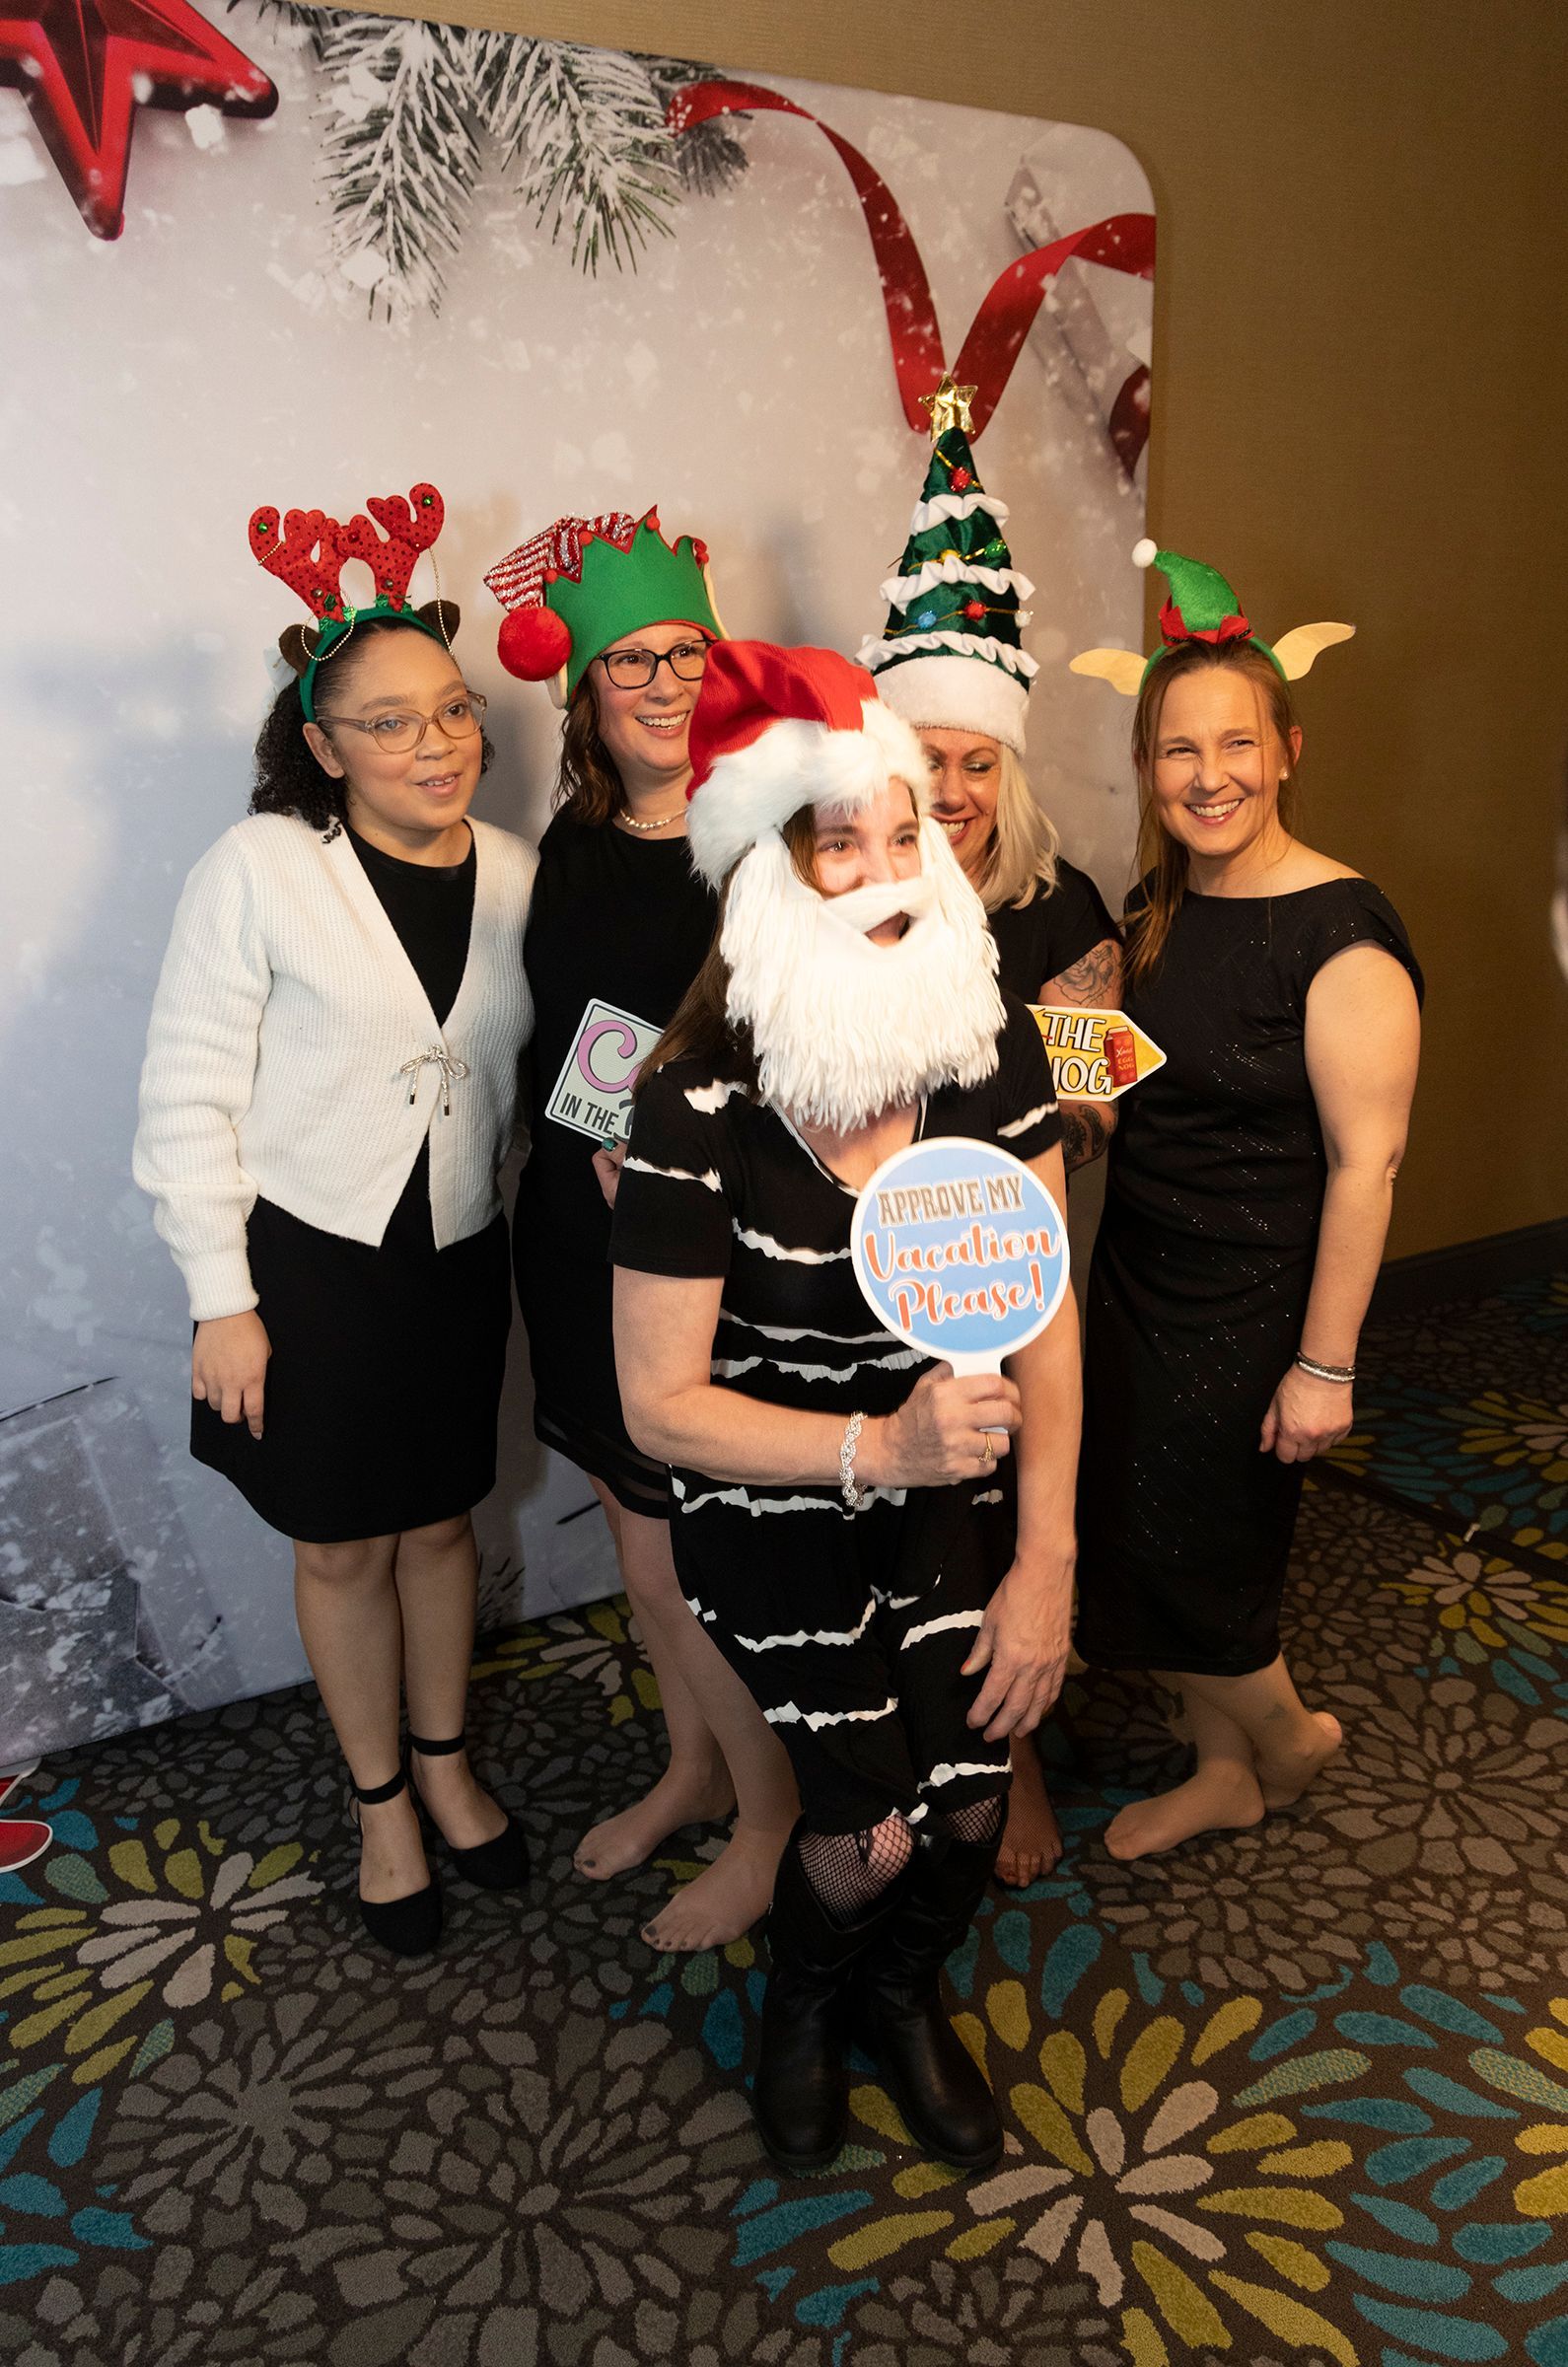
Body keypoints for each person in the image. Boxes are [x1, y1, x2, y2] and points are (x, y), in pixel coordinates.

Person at [611, 642, 1082, 2173]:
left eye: (911, 834)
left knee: (960, 1815)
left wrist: (1046, 1563)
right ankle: (803, 2009)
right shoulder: (693, 1100)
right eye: (843, 842)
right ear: (774, 874)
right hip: (771, 1517)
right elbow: (661, 1405)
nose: (889, 871)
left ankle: (895, 1996)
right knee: (869, 1826)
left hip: (950, 1506)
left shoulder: (985, 1052)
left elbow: (1048, 1322)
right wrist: (875, 1449)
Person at [135, 482, 535, 1956]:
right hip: (304, 1264)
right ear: (319, 744)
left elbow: (573, 1064)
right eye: (387, 722)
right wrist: (218, 1296)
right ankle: (379, 1805)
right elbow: (187, 1093)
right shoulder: (258, 873)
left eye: (451, 710)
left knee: (441, 1524)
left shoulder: (519, 877)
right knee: (341, 1547)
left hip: (453, 1255)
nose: (431, 744)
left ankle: (446, 1763)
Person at [1069, 541, 1422, 1858]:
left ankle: (1285, 1740)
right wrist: (1075, 1050)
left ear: (1286, 747)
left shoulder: (1339, 932)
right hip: (1144, 1272)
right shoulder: (1157, 904)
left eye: (1234, 746)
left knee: (1189, 1549)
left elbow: (1364, 1166)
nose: (1206, 778)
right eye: (1175, 750)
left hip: (1257, 1297)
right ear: (1147, 763)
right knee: (1139, 1520)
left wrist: (1322, 1364)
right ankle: (1223, 1766)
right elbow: (1135, 1101)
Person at [485, 511, 798, 1950]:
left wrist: (677, 1171)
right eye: (631, 661)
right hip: (574, 1234)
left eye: (686, 653)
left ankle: (769, 1818)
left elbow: (804, 1049)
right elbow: (580, 1046)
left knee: (700, 1557)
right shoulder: (574, 847)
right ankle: (690, 1767)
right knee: (637, 1539)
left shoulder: (772, 840)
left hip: (706, 1251)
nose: (664, 683)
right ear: (586, 692)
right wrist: (609, 1154)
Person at [860, 410, 1124, 1886]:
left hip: (1007, 1272)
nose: (951, 791)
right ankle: (883, 1749)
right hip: (858, 1270)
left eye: (975, 763)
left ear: (1004, 772)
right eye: (925, 760)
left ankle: (1010, 1746)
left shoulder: (1057, 904)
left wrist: (1028, 1053)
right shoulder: (853, 885)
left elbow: (1095, 1111)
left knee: (998, 1513)